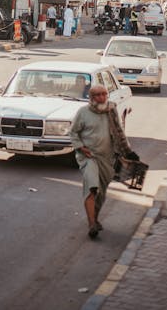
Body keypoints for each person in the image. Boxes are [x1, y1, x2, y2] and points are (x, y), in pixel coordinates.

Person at [70, 85, 140, 239]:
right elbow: (73, 133)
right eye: (98, 95)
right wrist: (81, 147)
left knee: (101, 191)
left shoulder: (111, 110)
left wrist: (129, 152)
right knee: (92, 187)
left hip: (107, 158)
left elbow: (119, 133)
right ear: (91, 97)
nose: (102, 98)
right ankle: (92, 224)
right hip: (89, 157)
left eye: (104, 94)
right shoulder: (83, 112)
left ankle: (95, 217)